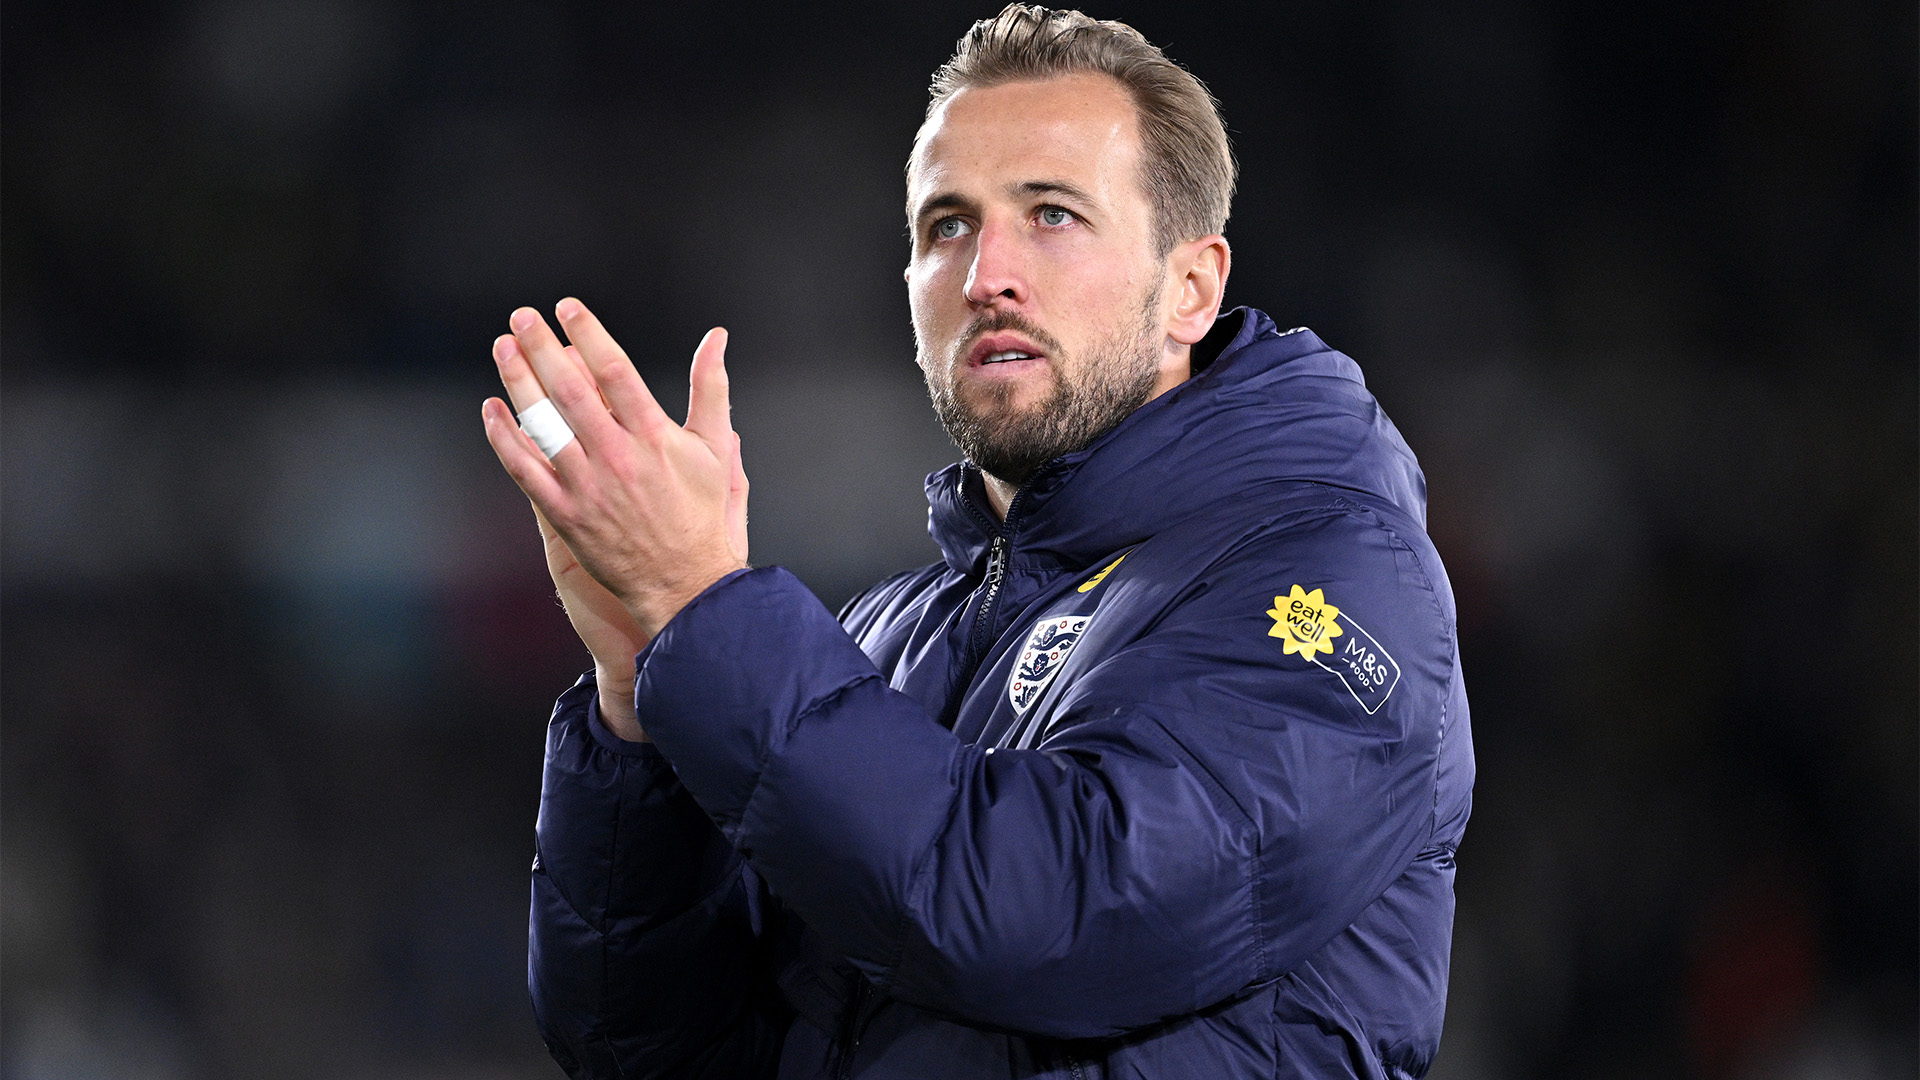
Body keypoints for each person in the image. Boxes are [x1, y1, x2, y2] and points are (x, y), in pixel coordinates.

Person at [480, 5, 1473, 1078]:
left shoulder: (1329, 576)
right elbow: (657, 1051)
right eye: (946, 225)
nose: (985, 272)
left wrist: (706, 606)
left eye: (1051, 214)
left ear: (1191, 288)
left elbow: (1046, 919)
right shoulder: (887, 637)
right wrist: (642, 694)